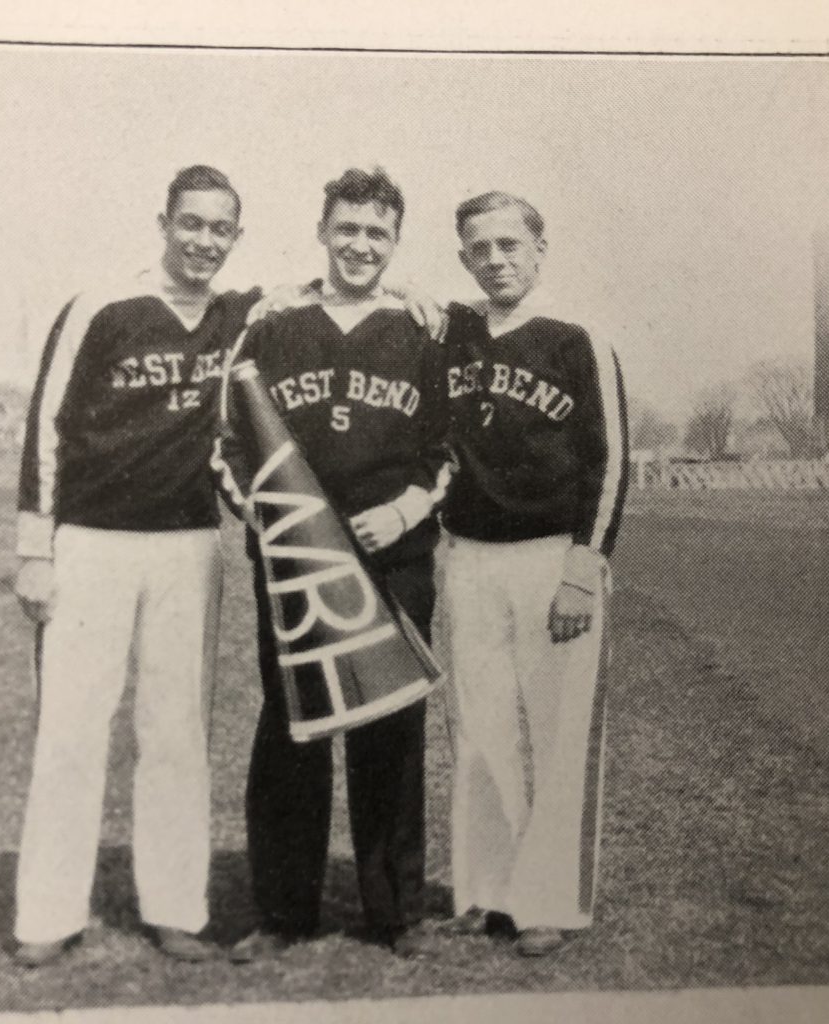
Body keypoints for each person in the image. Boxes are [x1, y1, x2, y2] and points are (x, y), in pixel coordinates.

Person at [12, 165, 258, 967]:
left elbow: (319, 293)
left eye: (221, 229)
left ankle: (176, 909)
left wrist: (414, 298)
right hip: (91, 544)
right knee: (73, 731)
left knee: (177, 732)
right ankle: (48, 914)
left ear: (236, 237)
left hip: (188, 546)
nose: (204, 241)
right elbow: (46, 423)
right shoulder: (102, 307)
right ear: (163, 222)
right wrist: (34, 547)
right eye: (192, 223)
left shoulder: (238, 317)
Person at [215, 167, 454, 960]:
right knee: (293, 724)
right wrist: (282, 524)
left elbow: (447, 448)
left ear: (395, 243)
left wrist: (406, 509)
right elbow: (228, 444)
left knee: (392, 724)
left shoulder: (425, 330)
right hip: (295, 561)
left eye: (377, 233)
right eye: (346, 229)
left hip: (396, 551)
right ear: (322, 230)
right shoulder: (274, 324)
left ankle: (396, 912)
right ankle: (284, 912)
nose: (360, 245)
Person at [441, 192, 629, 956]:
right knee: (478, 731)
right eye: (480, 248)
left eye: (510, 245)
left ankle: (547, 899)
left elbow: (610, 461)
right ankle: (490, 890)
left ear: (541, 248)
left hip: (554, 555)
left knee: (557, 733)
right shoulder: (449, 335)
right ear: (464, 259)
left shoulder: (578, 336)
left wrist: (585, 566)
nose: (496, 260)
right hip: (468, 557)